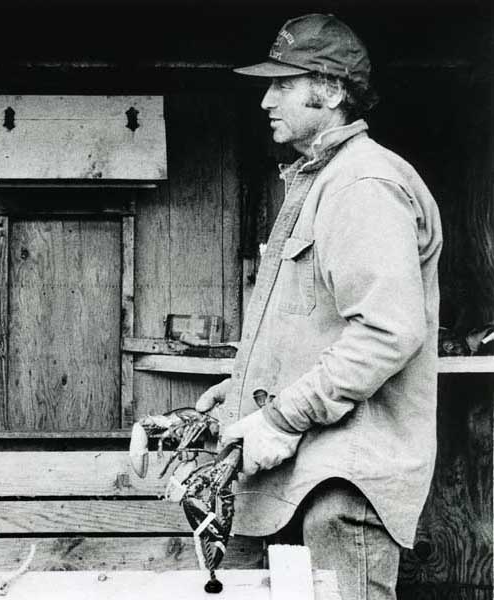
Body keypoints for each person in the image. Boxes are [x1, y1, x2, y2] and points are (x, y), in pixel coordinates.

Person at [195, 14, 442, 600]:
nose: (265, 100)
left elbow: (386, 331)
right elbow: (315, 320)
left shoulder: (363, 185)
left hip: (342, 484)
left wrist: (282, 417)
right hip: (310, 478)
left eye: (283, 83)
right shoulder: (326, 178)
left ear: (330, 91)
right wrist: (241, 386)